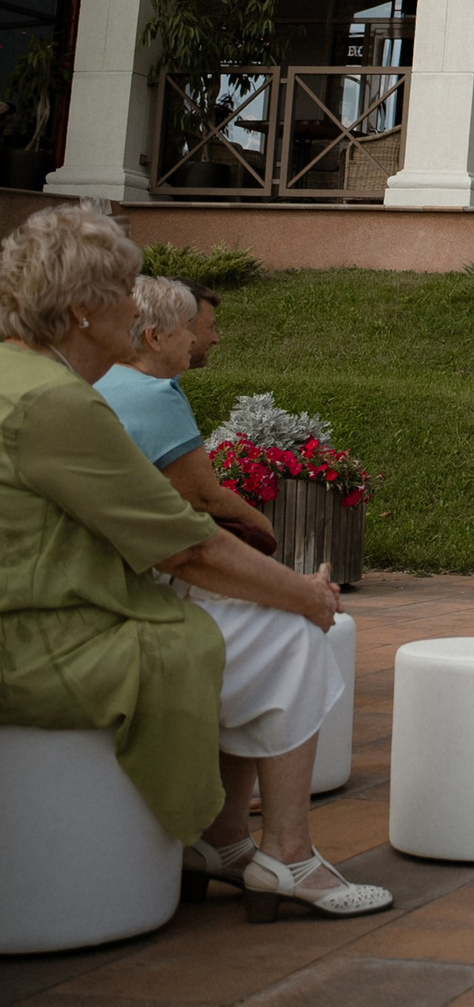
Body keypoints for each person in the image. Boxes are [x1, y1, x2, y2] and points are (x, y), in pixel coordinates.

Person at [0, 206, 389, 922]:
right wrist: (305, 593)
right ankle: (289, 854)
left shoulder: (21, 375)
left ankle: (227, 839)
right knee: (289, 634)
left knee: (257, 615)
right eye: (126, 287)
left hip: (42, 612)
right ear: (85, 309)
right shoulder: (57, 404)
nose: (139, 302)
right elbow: (190, 543)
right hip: (42, 641)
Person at [98, 276, 273, 545]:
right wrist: (265, 530)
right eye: (185, 329)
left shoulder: (103, 377)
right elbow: (203, 497)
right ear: (155, 337)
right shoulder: (152, 394)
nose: (193, 339)